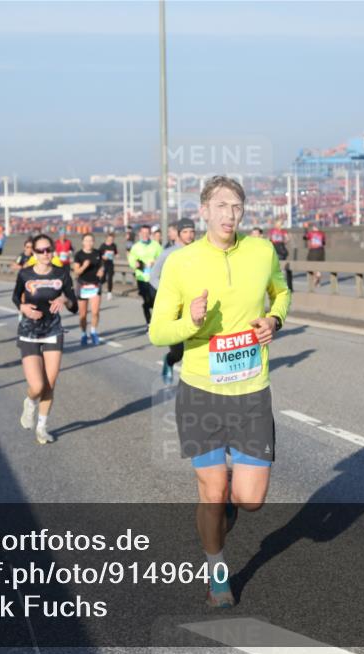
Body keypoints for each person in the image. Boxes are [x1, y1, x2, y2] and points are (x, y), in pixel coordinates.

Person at [149, 175, 290, 608]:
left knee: (249, 501)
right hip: (200, 393)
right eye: (222, 206)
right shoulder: (181, 262)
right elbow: (157, 332)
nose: (230, 214)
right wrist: (190, 323)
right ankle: (217, 573)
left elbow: (280, 292)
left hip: (251, 392)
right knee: (211, 490)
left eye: (237, 206)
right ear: (204, 210)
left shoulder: (261, 251)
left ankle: (229, 507)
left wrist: (275, 321)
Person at [15, 234, 78, 444]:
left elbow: (74, 305)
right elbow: (16, 298)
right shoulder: (25, 274)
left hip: (52, 330)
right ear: (33, 253)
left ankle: (42, 428)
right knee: (38, 386)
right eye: (40, 251)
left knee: (50, 384)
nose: (45, 254)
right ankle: (30, 401)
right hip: (29, 331)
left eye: (48, 250)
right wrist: (23, 307)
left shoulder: (62, 273)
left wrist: (64, 298)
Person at [149, 218, 196, 385]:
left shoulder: (201, 252)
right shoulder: (168, 254)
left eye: (192, 231)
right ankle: (169, 362)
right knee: (178, 352)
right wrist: (168, 293)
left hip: (196, 306)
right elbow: (153, 277)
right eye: (185, 232)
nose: (189, 235)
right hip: (175, 308)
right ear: (178, 234)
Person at [127, 224, 162, 326]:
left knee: (155, 301)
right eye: (143, 233)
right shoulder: (136, 247)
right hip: (142, 278)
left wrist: (155, 261)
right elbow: (131, 260)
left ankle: (156, 322)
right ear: (140, 234)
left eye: (147, 233)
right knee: (147, 300)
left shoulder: (156, 245)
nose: (145, 235)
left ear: (150, 234)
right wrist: (136, 264)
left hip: (154, 278)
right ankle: (149, 322)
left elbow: (162, 258)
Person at [73, 233, 104, 345]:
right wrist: (84, 266)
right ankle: (83, 334)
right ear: (83, 242)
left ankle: (93, 332)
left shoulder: (97, 253)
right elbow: (76, 272)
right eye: (86, 240)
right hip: (83, 285)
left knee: (95, 312)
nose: (89, 243)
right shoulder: (78, 255)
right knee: (83, 314)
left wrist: (102, 271)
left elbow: (101, 265)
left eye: (91, 240)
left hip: (95, 285)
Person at [268, 220, 293, 292]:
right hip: (280, 247)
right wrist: (284, 241)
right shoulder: (282, 231)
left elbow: (269, 239)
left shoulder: (273, 231)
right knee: (279, 265)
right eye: (280, 224)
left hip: (276, 247)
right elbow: (287, 239)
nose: (280, 225)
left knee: (277, 264)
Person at [303, 222, 326, 288]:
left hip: (313, 251)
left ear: (314, 227)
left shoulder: (311, 233)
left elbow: (305, 237)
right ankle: (318, 279)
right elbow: (324, 243)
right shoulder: (322, 234)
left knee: (311, 265)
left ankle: (315, 278)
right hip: (321, 251)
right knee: (319, 265)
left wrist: (305, 228)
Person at [98, 232, 118, 300]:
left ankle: (109, 293)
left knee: (110, 278)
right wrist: (103, 256)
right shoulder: (103, 246)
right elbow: (98, 255)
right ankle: (98, 285)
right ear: (106, 239)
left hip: (110, 264)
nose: (110, 241)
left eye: (112, 239)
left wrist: (117, 255)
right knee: (103, 278)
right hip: (103, 264)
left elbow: (115, 252)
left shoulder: (114, 245)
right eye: (109, 239)